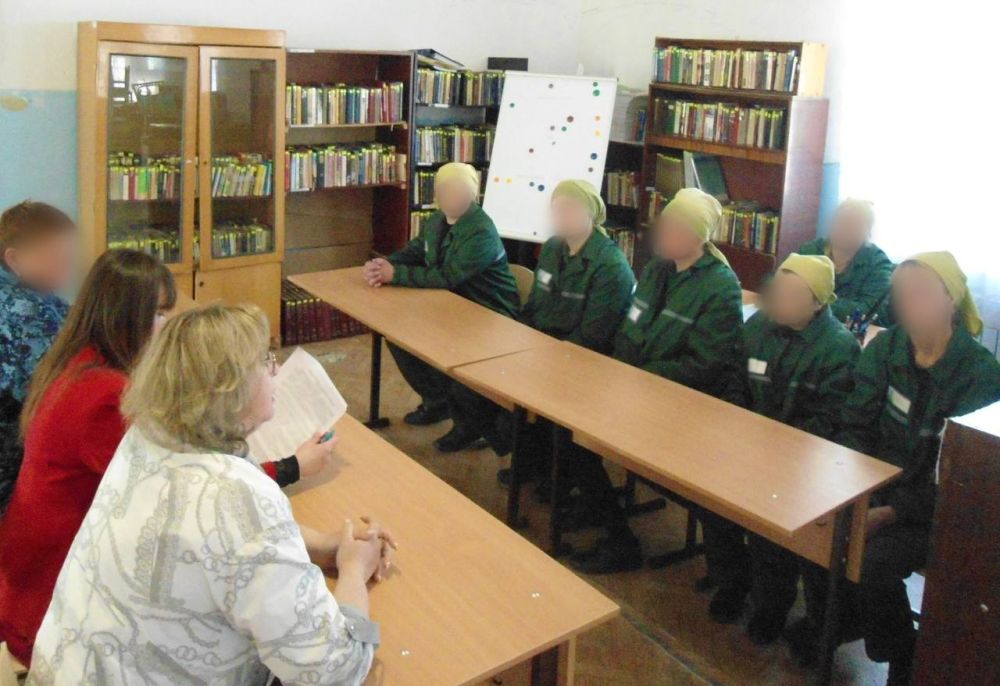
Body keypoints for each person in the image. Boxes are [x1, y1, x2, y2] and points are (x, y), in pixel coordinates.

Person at [28, 304, 394, 685]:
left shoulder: (149, 435)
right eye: (264, 361)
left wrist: (326, 546)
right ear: (230, 388)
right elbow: (333, 669)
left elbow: (228, 543)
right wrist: (355, 569)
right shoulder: (234, 496)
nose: (274, 370)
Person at [0, 250, 333, 666]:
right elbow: (189, 487)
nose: (168, 326)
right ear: (125, 318)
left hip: (41, 577)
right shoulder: (104, 398)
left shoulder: (83, 361)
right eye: (159, 314)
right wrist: (292, 467)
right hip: (49, 607)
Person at [791, 251, 1000, 686]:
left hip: (933, 510)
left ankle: (902, 651)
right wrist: (856, 492)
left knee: (873, 561)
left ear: (951, 299)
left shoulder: (980, 375)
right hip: (871, 486)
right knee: (815, 527)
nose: (907, 303)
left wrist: (891, 511)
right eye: (902, 293)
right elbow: (855, 423)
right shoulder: (886, 347)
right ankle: (837, 622)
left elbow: (958, 480)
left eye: (921, 293)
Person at [569, 188, 744, 575]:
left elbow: (704, 366)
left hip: (683, 407)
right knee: (569, 428)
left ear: (698, 236)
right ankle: (599, 511)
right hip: (636, 390)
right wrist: (618, 376)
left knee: (584, 440)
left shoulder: (720, 287)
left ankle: (620, 542)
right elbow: (630, 328)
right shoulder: (657, 269)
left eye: (675, 227)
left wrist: (637, 382)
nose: (663, 233)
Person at [454, 179, 635, 482]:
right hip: (539, 350)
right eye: (557, 209)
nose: (561, 216)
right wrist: (516, 348)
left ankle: (546, 470)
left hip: (581, 364)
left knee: (524, 406)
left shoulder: (611, 266)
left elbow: (592, 338)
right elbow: (533, 307)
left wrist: (538, 363)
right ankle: (530, 460)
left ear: (590, 213)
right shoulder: (552, 248)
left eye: (570, 209)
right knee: (470, 386)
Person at [721, 254, 860, 639]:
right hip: (748, 445)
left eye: (791, 294)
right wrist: (738, 428)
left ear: (817, 303)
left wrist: (774, 448)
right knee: (712, 502)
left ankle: (773, 606)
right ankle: (732, 581)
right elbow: (735, 379)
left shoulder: (838, 348)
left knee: (772, 526)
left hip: (801, 463)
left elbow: (830, 420)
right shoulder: (758, 327)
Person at [363, 162, 519, 451]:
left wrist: (395, 275)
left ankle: (470, 425)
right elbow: (416, 250)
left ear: (472, 195)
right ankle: (439, 402)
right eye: (445, 190)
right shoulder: (437, 220)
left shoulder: (481, 231)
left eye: (459, 191)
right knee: (399, 336)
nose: (451, 196)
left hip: (488, 316)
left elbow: (448, 277)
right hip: (450, 308)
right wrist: (383, 264)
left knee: (455, 363)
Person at [0, 201, 75, 513]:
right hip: (14, 466)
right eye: (56, 259)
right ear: (15, 259)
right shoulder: (25, 311)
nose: (67, 269)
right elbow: (62, 386)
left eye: (69, 258)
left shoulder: (37, 297)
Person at [798, 198, 894, 324]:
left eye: (854, 225)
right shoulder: (810, 251)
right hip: (805, 323)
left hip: (854, 331)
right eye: (841, 222)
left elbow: (866, 309)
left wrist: (813, 304)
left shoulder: (878, 263)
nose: (845, 229)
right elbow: (781, 286)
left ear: (868, 232)